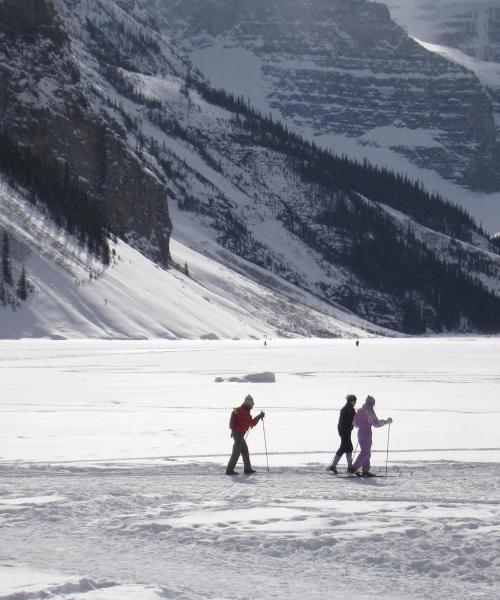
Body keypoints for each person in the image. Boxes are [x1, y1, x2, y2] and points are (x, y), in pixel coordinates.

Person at [349, 395, 392, 477]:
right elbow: (375, 423)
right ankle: (353, 468)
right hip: (366, 433)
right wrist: (386, 421)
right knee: (365, 452)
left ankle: (365, 470)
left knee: (366, 452)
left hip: (360, 433)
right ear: (372, 403)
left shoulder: (359, 410)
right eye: (374, 403)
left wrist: (362, 424)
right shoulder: (369, 410)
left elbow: (355, 424)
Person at [226, 394, 265, 475]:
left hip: (238, 433)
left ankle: (247, 469)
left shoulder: (241, 410)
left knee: (244, 451)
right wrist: (259, 416)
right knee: (236, 452)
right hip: (238, 434)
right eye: (251, 405)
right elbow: (252, 423)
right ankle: (229, 470)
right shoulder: (243, 412)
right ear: (248, 404)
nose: (252, 406)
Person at [328, 394, 357, 474]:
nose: (355, 403)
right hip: (345, 430)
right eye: (354, 401)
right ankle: (336, 466)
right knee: (346, 447)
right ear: (351, 401)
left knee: (347, 447)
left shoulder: (346, 408)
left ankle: (348, 467)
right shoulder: (350, 409)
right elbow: (355, 419)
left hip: (343, 430)